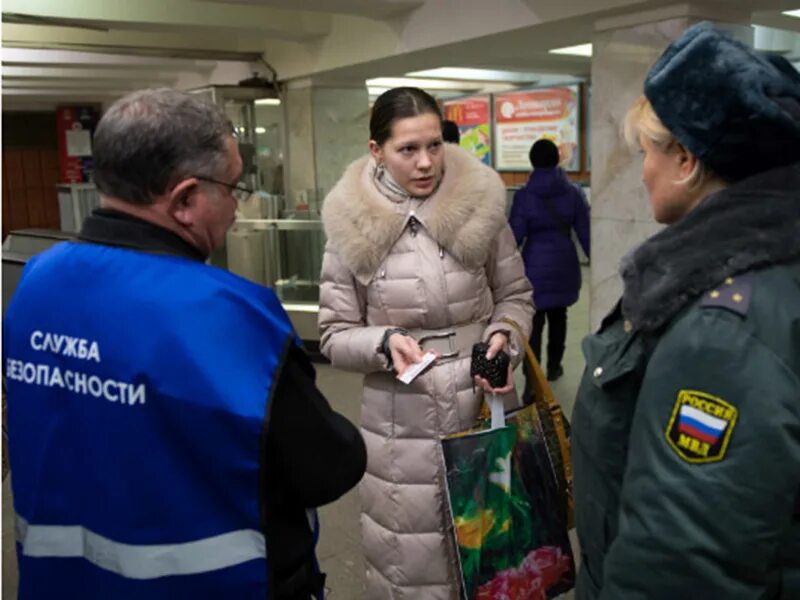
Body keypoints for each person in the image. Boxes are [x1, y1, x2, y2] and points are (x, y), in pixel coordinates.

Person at [3, 88, 367, 600]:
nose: (238, 210)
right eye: (234, 188)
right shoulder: (225, 312)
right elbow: (327, 466)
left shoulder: (35, 282)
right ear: (186, 200)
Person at [571, 22, 800, 599]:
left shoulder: (719, 328)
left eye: (646, 152)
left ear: (686, 161)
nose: (641, 171)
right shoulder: (770, 268)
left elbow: (683, 565)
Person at [318, 86, 533, 599]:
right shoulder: (351, 222)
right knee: (413, 561)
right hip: (400, 420)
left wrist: (505, 335)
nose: (425, 162)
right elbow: (332, 333)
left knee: (496, 554)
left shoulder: (479, 202)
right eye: (407, 149)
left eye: (434, 145)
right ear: (377, 151)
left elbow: (516, 295)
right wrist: (382, 342)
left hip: (485, 403)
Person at [509, 138, 590, 382]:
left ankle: (532, 379)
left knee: (533, 321)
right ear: (557, 159)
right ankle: (555, 366)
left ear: (532, 162)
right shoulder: (573, 193)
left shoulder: (524, 196)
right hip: (565, 263)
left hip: (534, 266)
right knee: (559, 317)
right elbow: (586, 231)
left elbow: (514, 235)